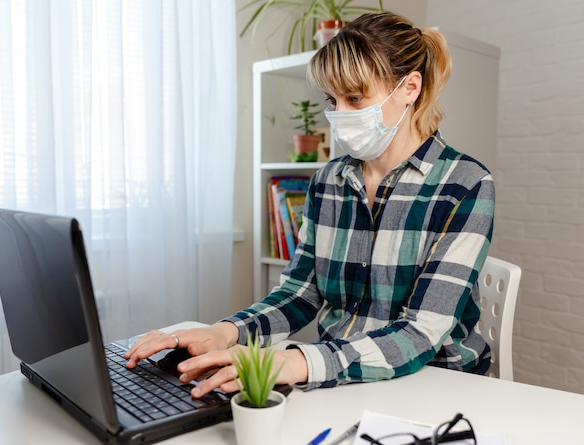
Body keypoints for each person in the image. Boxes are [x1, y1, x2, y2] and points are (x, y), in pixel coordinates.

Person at [125, 11, 494, 398]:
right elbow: (301, 293)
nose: (340, 115)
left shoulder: (466, 185)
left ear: (410, 88)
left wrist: (294, 362)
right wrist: (223, 333)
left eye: (355, 98)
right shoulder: (328, 182)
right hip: (340, 375)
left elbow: (422, 331)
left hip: (434, 383)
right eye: (332, 100)